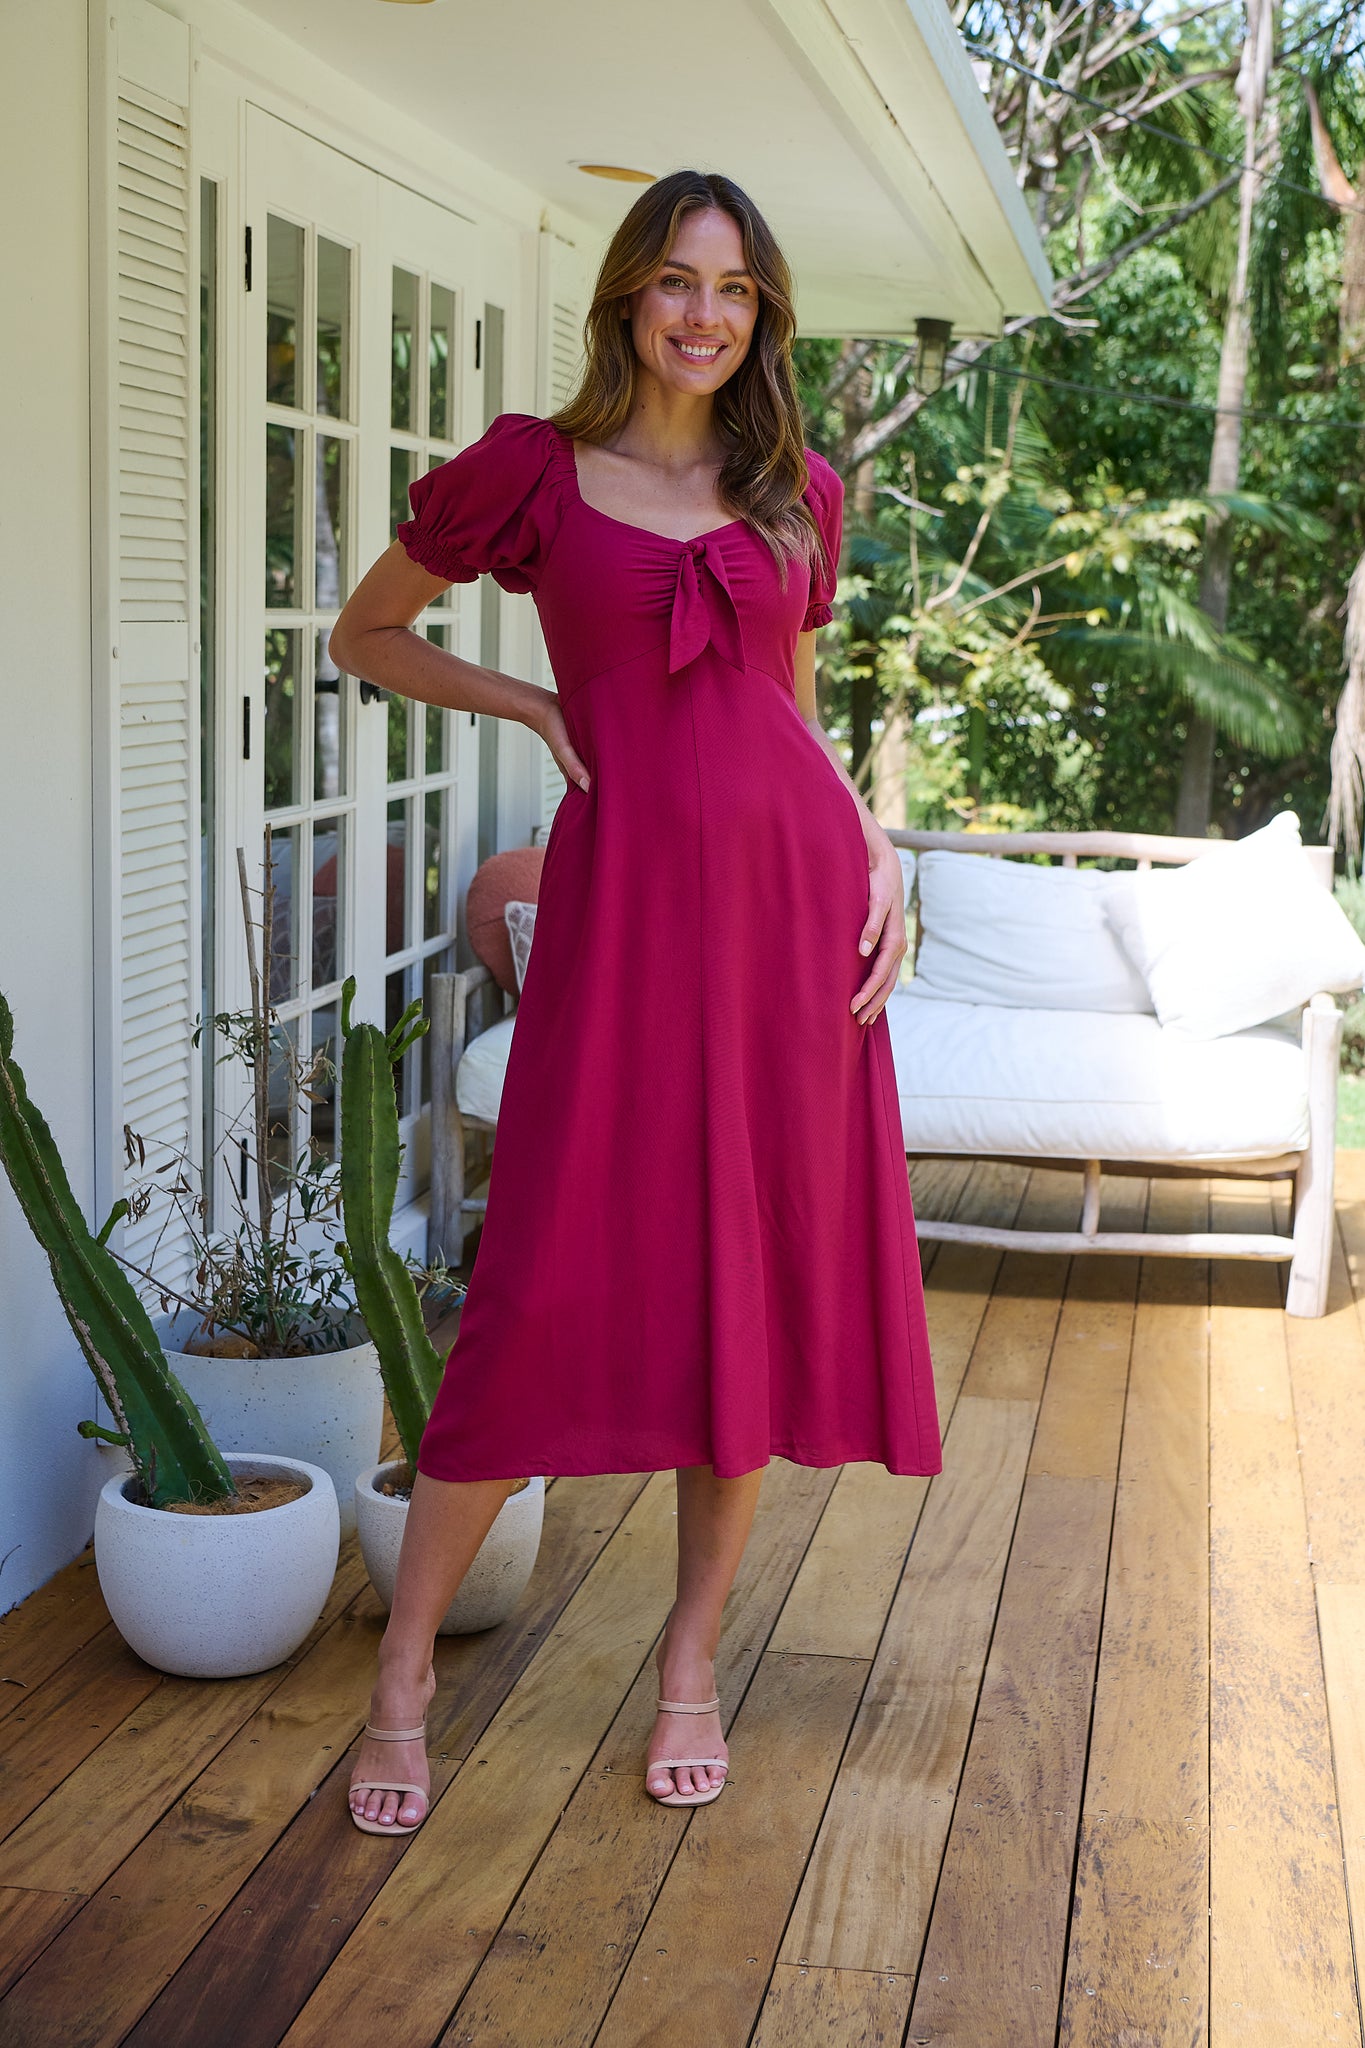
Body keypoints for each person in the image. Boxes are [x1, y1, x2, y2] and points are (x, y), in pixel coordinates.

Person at [328, 167, 942, 1834]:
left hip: (790, 925)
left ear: (761, 316)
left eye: (733, 290)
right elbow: (367, 633)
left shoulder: (795, 487)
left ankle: (688, 1660)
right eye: (677, 280)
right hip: (620, 920)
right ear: (626, 296)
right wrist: (535, 704)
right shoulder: (532, 471)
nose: (703, 314)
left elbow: (791, 712)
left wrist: (875, 850)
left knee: (739, 1280)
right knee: (533, 1279)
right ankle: (402, 1679)